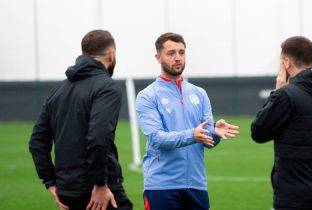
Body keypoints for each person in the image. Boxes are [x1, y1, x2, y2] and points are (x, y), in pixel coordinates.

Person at [29, 30, 132, 210]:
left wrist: (50, 182)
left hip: (67, 192)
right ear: (111, 54)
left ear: (83, 53)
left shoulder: (58, 90)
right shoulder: (107, 87)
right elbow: (98, 138)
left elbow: (37, 142)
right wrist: (100, 184)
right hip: (97, 192)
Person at [135, 32, 239, 210]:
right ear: (158, 57)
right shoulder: (147, 96)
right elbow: (157, 138)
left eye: (181, 52)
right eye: (171, 53)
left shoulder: (199, 93)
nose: (178, 58)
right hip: (161, 186)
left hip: (196, 185)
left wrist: (215, 133)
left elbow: (207, 140)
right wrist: (192, 135)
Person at [251, 36, 312, 210]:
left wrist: (278, 90)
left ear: (286, 63)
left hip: (293, 198)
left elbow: (258, 132)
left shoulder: (286, 95)